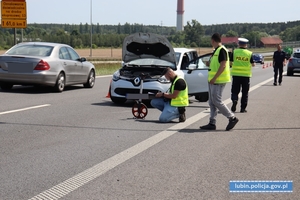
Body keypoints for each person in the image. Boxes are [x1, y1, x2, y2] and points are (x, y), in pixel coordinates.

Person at [200, 33, 239, 131]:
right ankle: (212, 123)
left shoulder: (221, 50)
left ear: (213, 40)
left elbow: (223, 65)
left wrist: (215, 78)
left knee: (217, 101)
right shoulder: (216, 51)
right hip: (213, 80)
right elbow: (217, 65)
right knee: (212, 102)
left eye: (211, 41)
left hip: (218, 80)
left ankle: (232, 118)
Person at [230, 38, 255, 113]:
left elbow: (230, 62)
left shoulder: (234, 52)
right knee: (245, 92)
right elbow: (253, 64)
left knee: (235, 91)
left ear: (239, 44)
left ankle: (234, 100)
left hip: (236, 75)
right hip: (246, 76)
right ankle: (243, 108)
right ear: (246, 45)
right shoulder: (249, 53)